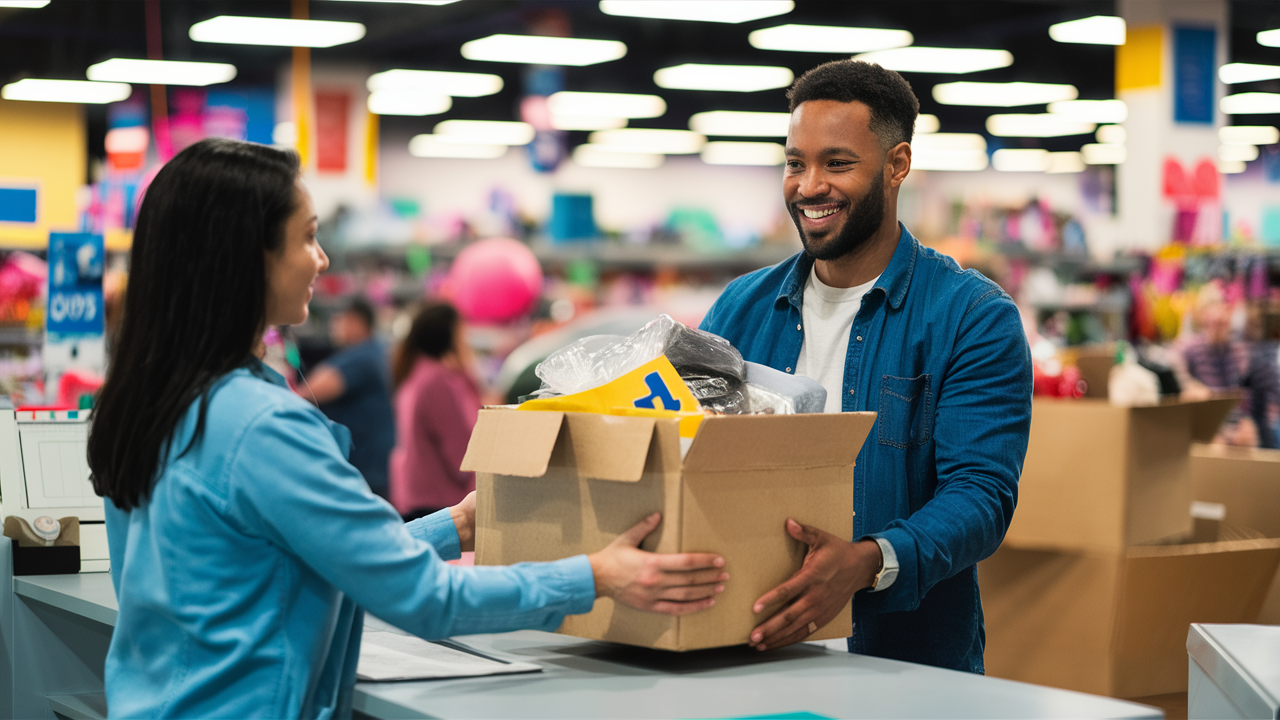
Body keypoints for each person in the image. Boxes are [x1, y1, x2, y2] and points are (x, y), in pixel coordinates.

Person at [87, 138, 729, 719]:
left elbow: (320, 552)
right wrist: (596, 576)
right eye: (307, 236)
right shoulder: (261, 427)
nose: (322, 257)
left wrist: (456, 525)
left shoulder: (151, 403)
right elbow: (422, 598)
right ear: (246, 258)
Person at [699, 60, 1032, 673]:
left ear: (897, 164)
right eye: (795, 162)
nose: (808, 185)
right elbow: (688, 453)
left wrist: (870, 561)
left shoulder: (972, 317)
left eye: (837, 163)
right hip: (742, 652)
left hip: (904, 666)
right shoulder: (740, 309)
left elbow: (981, 495)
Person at [388, 301, 482, 520]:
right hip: (441, 504)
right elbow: (463, 457)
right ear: (448, 335)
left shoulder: (416, 373)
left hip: (418, 498)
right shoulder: (438, 381)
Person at [302, 296, 396, 496]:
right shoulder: (375, 350)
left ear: (356, 321)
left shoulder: (362, 356)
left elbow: (309, 391)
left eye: (340, 319)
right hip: (375, 464)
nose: (335, 326)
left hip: (365, 468)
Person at [1177, 285, 1280, 448]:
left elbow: (1262, 396)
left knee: (1254, 436)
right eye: (1212, 322)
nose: (1217, 325)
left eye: (1222, 322)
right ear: (1203, 318)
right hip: (1209, 427)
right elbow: (1176, 374)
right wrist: (1190, 386)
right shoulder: (1190, 349)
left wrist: (1249, 425)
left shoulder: (1242, 351)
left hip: (1239, 428)